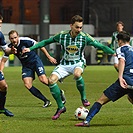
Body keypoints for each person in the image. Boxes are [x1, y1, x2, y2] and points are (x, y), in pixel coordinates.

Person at [22, 15, 115, 120]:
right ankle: (61, 107)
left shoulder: (85, 37)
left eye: (80, 27)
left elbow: (101, 46)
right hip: (64, 64)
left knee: (77, 74)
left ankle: (83, 98)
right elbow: (46, 42)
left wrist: (114, 53)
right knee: (51, 80)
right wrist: (31, 49)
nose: (79, 30)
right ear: (71, 26)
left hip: (78, 62)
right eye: (77, 27)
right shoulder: (62, 36)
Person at [75, 31, 133, 127]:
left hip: (124, 81)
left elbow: (122, 61)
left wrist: (120, 77)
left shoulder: (120, 49)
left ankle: (86, 121)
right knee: (131, 98)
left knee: (100, 101)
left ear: (119, 41)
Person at [0, 30, 66, 109]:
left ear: (18, 36)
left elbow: (40, 45)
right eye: (12, 38)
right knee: (27, 84)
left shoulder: (26, 41)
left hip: (35, 62)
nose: (14, 40)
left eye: (15, 37)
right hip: (26, 66)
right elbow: (3, 61)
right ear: (9, 39)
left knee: (43, 80)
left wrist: (49, 57)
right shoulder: (10, 47)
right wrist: (1, 71)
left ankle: (59, 92)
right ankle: (46, 101)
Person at [0, 15, 14, 117]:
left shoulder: (0, 35)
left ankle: (1, 109)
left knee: (4, 86)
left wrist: (11, 50)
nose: (0, 25)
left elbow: (6, 49)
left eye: (1, 23)